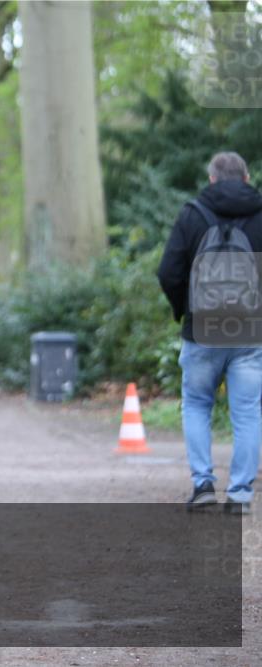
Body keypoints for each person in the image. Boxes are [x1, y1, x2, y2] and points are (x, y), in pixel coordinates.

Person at [157, 151, 262, 514]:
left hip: (201, 330)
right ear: (247, 178)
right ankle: (240, 495)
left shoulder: (193, 214)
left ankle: (203, 484)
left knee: (198, 404)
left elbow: (168, 272)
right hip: (250, 330)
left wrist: (183, 311)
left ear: (212, 179)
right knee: (247, 411)